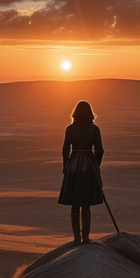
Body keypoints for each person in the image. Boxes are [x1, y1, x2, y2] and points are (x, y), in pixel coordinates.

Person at [58, 100, 104, 244]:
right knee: (86, 202)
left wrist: (66, 166)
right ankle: (85, 237)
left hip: (73, 167)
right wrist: (96, 165)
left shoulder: (70, 129)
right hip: (88, 167)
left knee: (74, 202)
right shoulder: (94, 129)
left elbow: (65, 150)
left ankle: (77, 237)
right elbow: (100, 150)